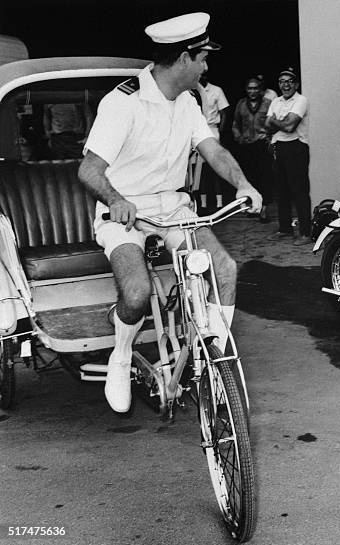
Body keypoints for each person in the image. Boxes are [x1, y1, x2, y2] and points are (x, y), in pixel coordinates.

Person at [78, 12, 262, 413]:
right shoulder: (122, 102)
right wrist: (116, 200)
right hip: (125, 211)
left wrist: (244, 184)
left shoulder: (189, 101)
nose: (207, 66)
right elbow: (88, 169)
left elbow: (214, 151)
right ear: (183, 58)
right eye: (203, 58)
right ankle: (121, 355)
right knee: (138, 292)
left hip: (174, 208)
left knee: (225, 269)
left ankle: (212, 360)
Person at [265, 67, 311, 246]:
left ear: (296, 84)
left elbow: (290, 127)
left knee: (299, 191)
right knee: (282, 191)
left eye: (289, 81)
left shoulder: (301, 100)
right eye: (282, 82)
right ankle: (285, 229)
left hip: (297, 147)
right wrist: (280, 123)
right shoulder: (275, 101)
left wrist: (276, 121)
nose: (286, 85)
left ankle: (306, 233)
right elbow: (267, 126)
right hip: (279, 146)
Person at [232, 77, 273, 222]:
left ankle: (264, 209)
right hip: (246, 146)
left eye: (255, 88)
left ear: (260, 89)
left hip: (262, 145)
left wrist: (268, 137)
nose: (252, 91)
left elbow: (273, 123)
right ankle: (253, 206)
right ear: (246, 89)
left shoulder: (268, 104)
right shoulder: (241, 104)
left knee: (265, 178)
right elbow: (236, 123)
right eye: (250, 88)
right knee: (250, 177)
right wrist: (238, 137)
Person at [195, 71, 231, 213]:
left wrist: (219, 134)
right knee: (200, 171)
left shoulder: (216, 90)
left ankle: (219, 203)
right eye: (200, 75)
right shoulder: (192, 90)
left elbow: (224, 113)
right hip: (197, 132)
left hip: (212, 130)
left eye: (204, 75)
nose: (201, 77)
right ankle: (202, 205)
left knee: (216, 169)